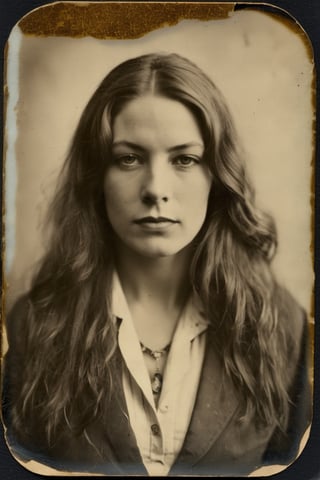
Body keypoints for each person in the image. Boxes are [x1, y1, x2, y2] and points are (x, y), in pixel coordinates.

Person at [2, 53, 311, 476]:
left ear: (216, 176)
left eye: (184, 159)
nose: (155, 189)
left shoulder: (282, 326)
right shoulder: (31, 326)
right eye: (129, 158)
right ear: (96, 175)